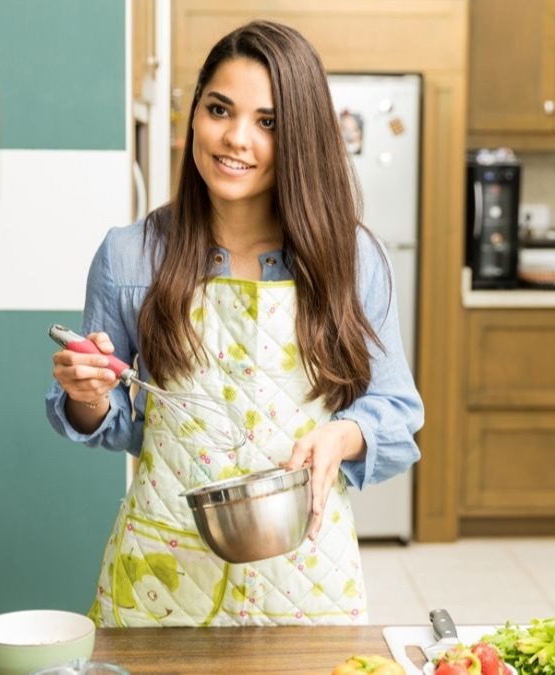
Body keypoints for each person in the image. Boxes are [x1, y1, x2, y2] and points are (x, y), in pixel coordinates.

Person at [45, 20, 423, 627]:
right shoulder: (130, 256)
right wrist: (86, 393)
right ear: (194, 114)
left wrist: (341, 437)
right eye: (219, 109)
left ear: (301, 137)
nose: (236, 138)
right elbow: (117, 420)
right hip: (161, 578)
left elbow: (397, 412)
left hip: (306, 578)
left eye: (267, 122)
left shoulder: (351, 259)